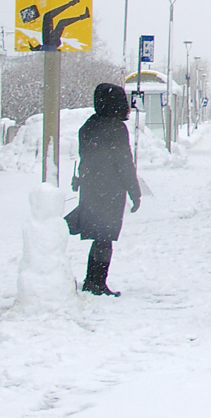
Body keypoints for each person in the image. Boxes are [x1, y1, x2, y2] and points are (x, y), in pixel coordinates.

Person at [68, 83, 142, 296]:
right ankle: (96, 282)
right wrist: (134, 191)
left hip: (91, 187)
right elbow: (124, 162)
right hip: (110, 189)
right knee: (104, 238)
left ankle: (93, 280)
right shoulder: (117, 128)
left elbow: (87, 158)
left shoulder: (88, 125)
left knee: (98, 235)